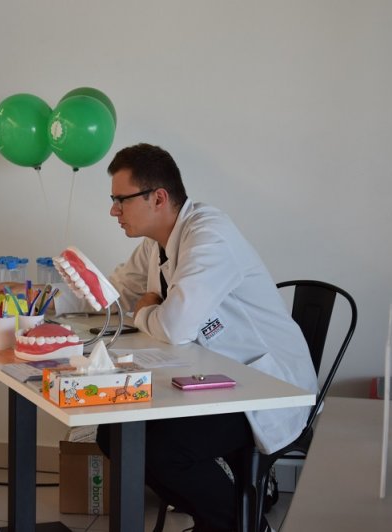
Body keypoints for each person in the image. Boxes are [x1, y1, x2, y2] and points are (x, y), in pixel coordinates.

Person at [91, 144, 317, 532]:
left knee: (163, 450)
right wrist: (45, 299)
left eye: (120, 200)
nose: (114, 210)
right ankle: (218, 516)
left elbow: (175, 327)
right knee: (113, 435)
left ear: (158, 198)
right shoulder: (156, 244)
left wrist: (144, 311)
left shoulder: (210, 236)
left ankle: (242, 525)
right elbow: (111, 293)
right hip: (215, 380)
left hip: (265, 388)